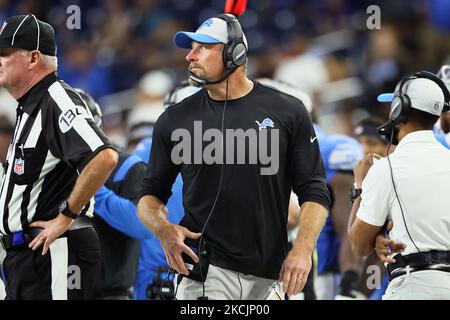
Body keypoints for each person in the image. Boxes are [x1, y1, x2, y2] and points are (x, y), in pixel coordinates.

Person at [137, 14, 330, 300]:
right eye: (191, 47)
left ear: (234, 53)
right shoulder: (173, 120)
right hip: (205, 272)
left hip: (270, 274)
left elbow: (314, 190)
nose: (190, 56)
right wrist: (163, 229)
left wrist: (302, 250)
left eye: (203, 47)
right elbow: (149, 196)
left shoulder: (288, 111)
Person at [0, 14, 118, 300]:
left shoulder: (56, 99)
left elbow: (104, 156)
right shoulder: (30, 107)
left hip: (54, 251)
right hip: (30, 256)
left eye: (4, 53)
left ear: (33, 58)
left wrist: (65, 217)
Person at [348, 72, 450, 299]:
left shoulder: (387, 168)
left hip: (416, 285)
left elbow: (358, 245)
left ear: (398, 109)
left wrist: (359, 188)